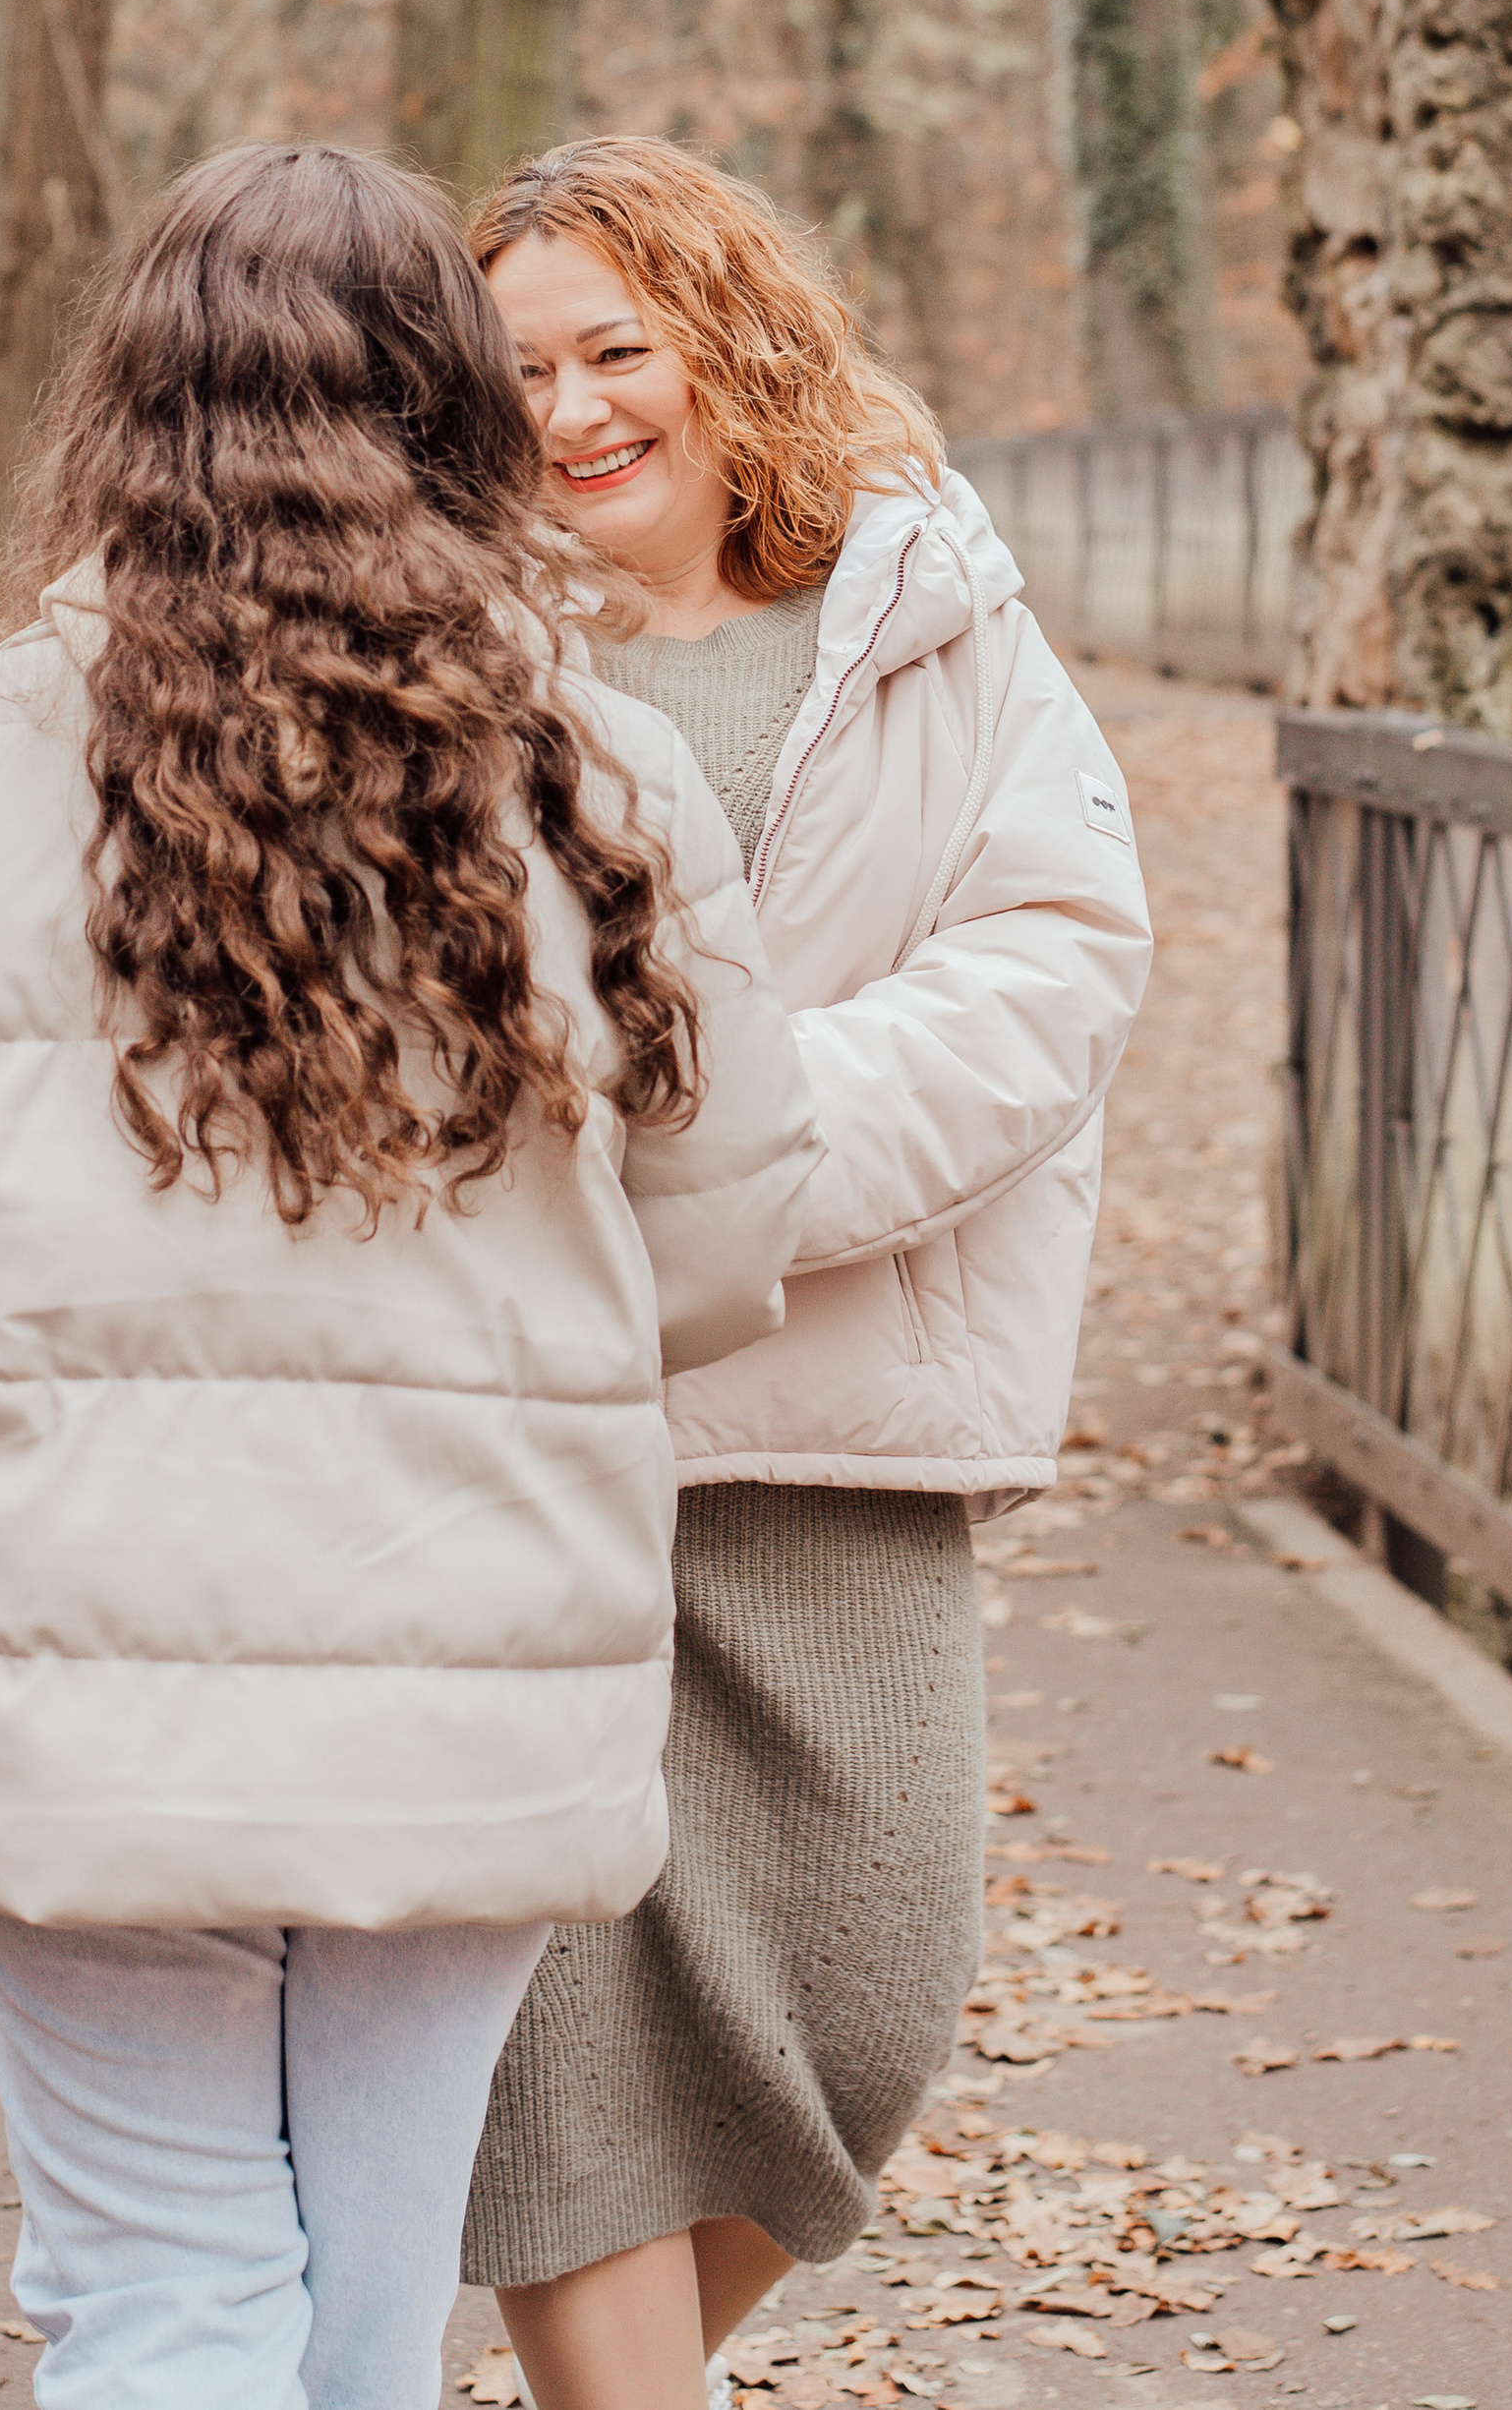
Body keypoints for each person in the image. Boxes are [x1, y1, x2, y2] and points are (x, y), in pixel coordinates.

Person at [0, 143, 823, 2410]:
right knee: (360, 2314)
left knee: (162, 2300)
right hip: (468, 1652)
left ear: (128, 414)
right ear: (457, 414)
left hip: (84, 1662)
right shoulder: (607, 777)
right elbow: (728, 1234)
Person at [464, 137, 1154, 2410]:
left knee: (864, 2015)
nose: (568, 412)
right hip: (540, 1447)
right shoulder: (460, 663)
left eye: (610, 351)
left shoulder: (929, 619)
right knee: (564, 2035)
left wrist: (746, 1163)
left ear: (721, 345)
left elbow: (1047, 967)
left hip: (840, 1437)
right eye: (518, 372)